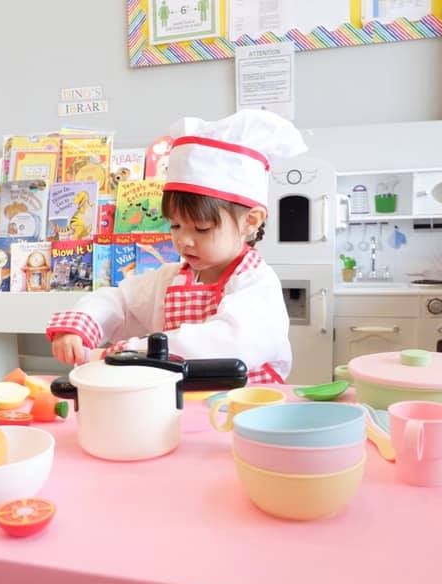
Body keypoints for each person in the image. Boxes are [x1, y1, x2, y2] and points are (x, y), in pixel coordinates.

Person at [46, 109, 307, 383]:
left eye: (202, 228)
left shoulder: (257, 283)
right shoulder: (169, 278)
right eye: (175, 225)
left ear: (250, 222)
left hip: (246, 404)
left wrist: (134, 351)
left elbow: (232, 342)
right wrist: (80, 325)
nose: (184, 240)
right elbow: (120, 300)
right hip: (181, 400)